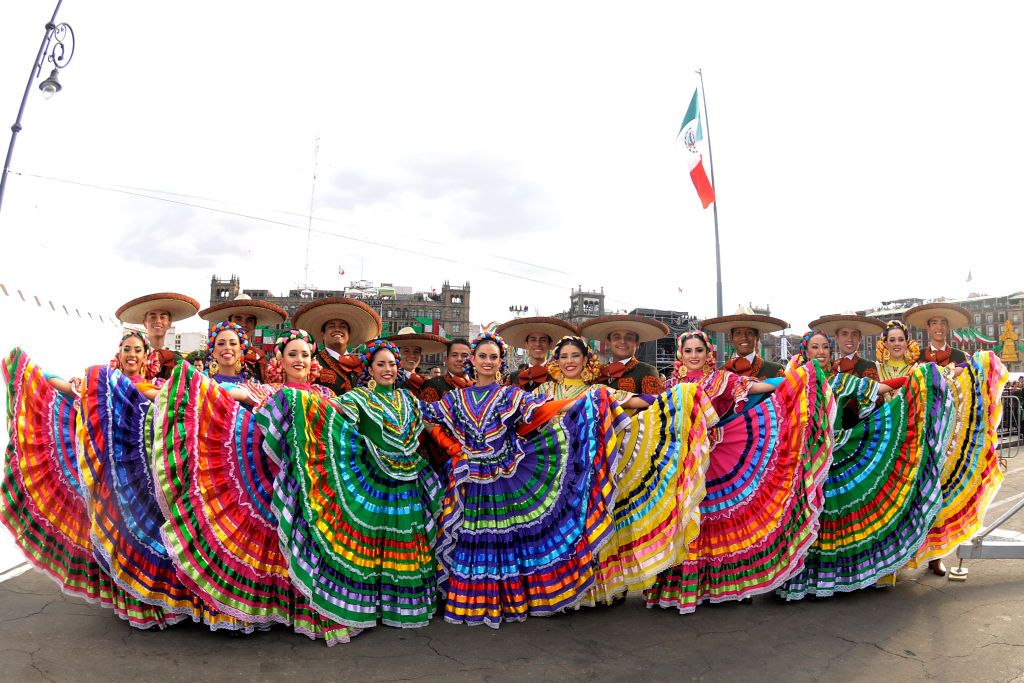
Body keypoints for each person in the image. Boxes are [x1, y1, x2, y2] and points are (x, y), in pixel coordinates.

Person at [153, 329, 357, 644]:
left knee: (311, 544)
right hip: (274, 479)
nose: (299, 360)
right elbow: (232, 396)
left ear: (312, 360)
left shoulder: (325, 394)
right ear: (281, 360)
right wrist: (194, 389)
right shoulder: (266, 389)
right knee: (275, 546)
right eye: (292, 354)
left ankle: (311, 609)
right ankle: (273, 609)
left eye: (305, 355)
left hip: (314, 484)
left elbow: (347, 422)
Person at [420, 332, 619, 627]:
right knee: (473, 537)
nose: (488, 362)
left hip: (505, 476)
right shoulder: (454, 398)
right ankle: (473, 602)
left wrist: (586, 400)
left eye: (494, 357)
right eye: (483, 356)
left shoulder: (510, 394)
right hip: (468, 479)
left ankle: (507, 601)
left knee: (504, 537)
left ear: (501, 362)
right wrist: (449, 445)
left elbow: (543, 410)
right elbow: (425, 415)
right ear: (472, 360)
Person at [645, 330, 833, 612]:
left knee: (717, 521)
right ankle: (683, 588)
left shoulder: (722, 379)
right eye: (688, 351)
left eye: (699, 350)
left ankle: (726, 587)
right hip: (683, 460)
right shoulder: (669, 385)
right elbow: (651, 405)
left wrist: (794, 380)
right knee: (686, 520)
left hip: (718, 457)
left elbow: (756, 387)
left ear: (709, 354)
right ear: (680, 355)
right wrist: (612, 400)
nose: (694, 356)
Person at [1, 339, 184, 630]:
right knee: (122, 539)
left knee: (149, 540)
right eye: (127, 350)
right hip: (111, 477)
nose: (132, 355)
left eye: (138, 350)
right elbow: (54, 382)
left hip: (143, 476)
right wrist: (51, 377)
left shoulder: (153, 386)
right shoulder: (102, 385)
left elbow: (172, 404)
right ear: (119, 354)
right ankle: (135, 607)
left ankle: (161, 605)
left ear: (147, 356)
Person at [262, 338, 443, 629]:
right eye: (380, 364)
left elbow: (430, 422)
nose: (388, 369)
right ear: (369, 369)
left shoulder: (409, 399)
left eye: (392, 364)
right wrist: (300, 399)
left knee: (404, 541)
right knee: (373, 544)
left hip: (408, 480)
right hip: (376, 481)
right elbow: (335, 411)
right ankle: (375, 605)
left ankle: (401, 608)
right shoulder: (359, 397)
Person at [533, 335, 715, 604]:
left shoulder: (598, 392)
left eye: (575, 356)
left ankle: (590, 593)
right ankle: (559, 590)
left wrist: (676, 398)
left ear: (586, 360)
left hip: (587, 472)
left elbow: (640, 401)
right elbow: (526, 416)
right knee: (556, 528)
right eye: (564, 357)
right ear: (556, 362)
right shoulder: (542, 392)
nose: (569, 362)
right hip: (552, 469)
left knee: (588, 527)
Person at [776, 331, 948, 598]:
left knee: (837, 518)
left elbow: (878, 388)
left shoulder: (842, 381)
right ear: (805, 351)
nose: (820, 352)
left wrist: (915, 377)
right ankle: (806, 580)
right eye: (814, 347)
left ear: (830, 353)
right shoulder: (795, 382)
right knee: (811, 518)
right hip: (807, 460)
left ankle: (840, 579)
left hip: (837, 455)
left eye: (824, 347)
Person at [291, 297, 382, 396]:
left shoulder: (361, 364)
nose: (337, 329)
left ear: (349, 334)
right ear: (323, 333)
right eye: (331, 326)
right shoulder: (312, 362)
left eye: (343, 327)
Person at [198, 295, 288, 381]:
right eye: (238, 319)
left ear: (255, 325)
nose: (244, 324)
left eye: (249, 320)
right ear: (229, 323)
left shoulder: (259, 357)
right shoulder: (213, 354)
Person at [115, 292, 200, 380]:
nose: (158, 321)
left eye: (163, 317)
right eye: (153, 317)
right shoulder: (130, 356)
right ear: (144, 323)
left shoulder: (176, 360)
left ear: (169, 324)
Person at [578, 314, 669, 394]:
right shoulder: (598, 372)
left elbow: (656, 407)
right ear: (608, 343)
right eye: (616, 337)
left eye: (629, 338)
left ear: (637, 344)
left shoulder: (647, 371)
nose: (622, 341)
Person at [701, 305, 787, 379]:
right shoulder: (720, 373)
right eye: (738, 333)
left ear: (757, 337)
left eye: (749, 332)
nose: (744, 337)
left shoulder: (775, 371)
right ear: (731, 338)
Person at [495, 316, 579, 391]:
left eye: (543, 340)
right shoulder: (512, 377)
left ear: (550, 345)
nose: (538, 344)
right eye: (533, 340)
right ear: (526, 344)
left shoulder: (559, 375)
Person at [808, 313, 884, 380]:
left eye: (854, 334)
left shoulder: (868, 366)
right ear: (836, 338)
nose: (850, 339)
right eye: (844, 334)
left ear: (859, 338)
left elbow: (875, 394)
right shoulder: (829, 367)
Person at [385, 327, 449, 399]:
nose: (412, 355)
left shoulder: (427, 382)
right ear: (397, 354)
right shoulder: (390, 381)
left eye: (416, 351)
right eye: (406, 351)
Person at [905, 302, 971, 368]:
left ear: (948, 328)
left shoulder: (960, 356)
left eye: (943, 323)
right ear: (928, 328)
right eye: (934, 323)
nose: (939, 327)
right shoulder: (918, 357)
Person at [419, 338, 472, 402]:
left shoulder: (478, 384)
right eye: (454, 355)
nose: (459, 359)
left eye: (465, 356)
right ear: (446, 360)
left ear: (472, 360)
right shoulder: (433, 385)